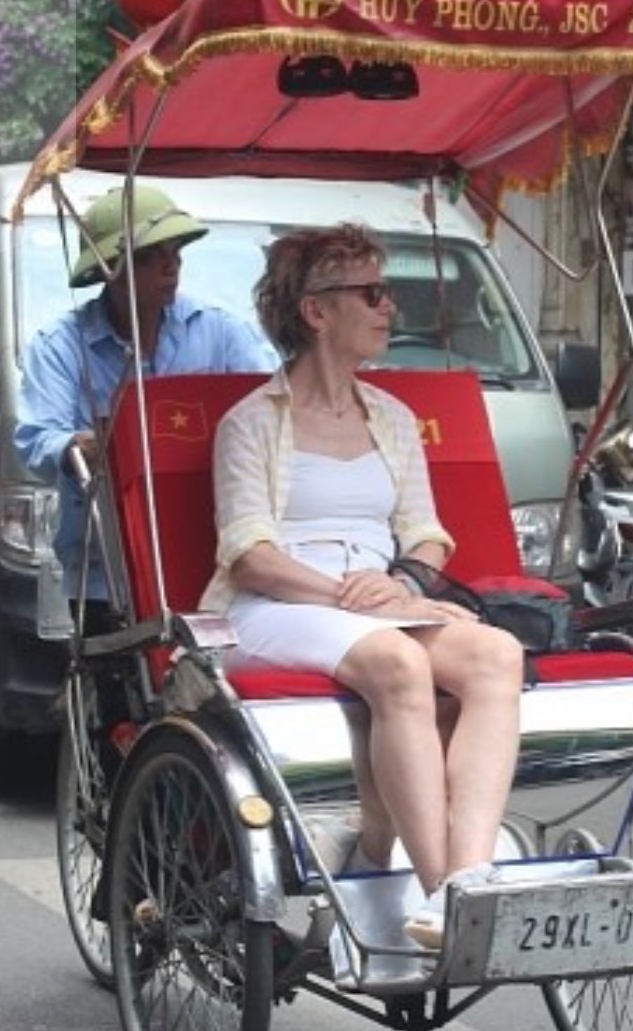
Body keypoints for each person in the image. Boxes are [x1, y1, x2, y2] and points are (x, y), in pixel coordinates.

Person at [205, 223, 525, 948]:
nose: (389, 309)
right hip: (276, 606)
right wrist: (350, 593)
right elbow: (248, 553)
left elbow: (426, 532)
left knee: (497, 653)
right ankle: (440, 885)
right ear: (316, 311)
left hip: (378, 602)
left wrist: (402, 583)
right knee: (397, 661)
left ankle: (467, 881)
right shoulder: (249, 424)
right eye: (373, 293)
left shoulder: (394, 417)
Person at [14, 182, 276, 608]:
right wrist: (83, 446)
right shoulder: (60, 345)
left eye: (175, 254)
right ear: (110, 267)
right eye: (150, 257)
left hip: (212, 557)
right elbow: (36, 438)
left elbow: (275, 407)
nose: (170, 268)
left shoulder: (222, 332)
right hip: (106, 569)